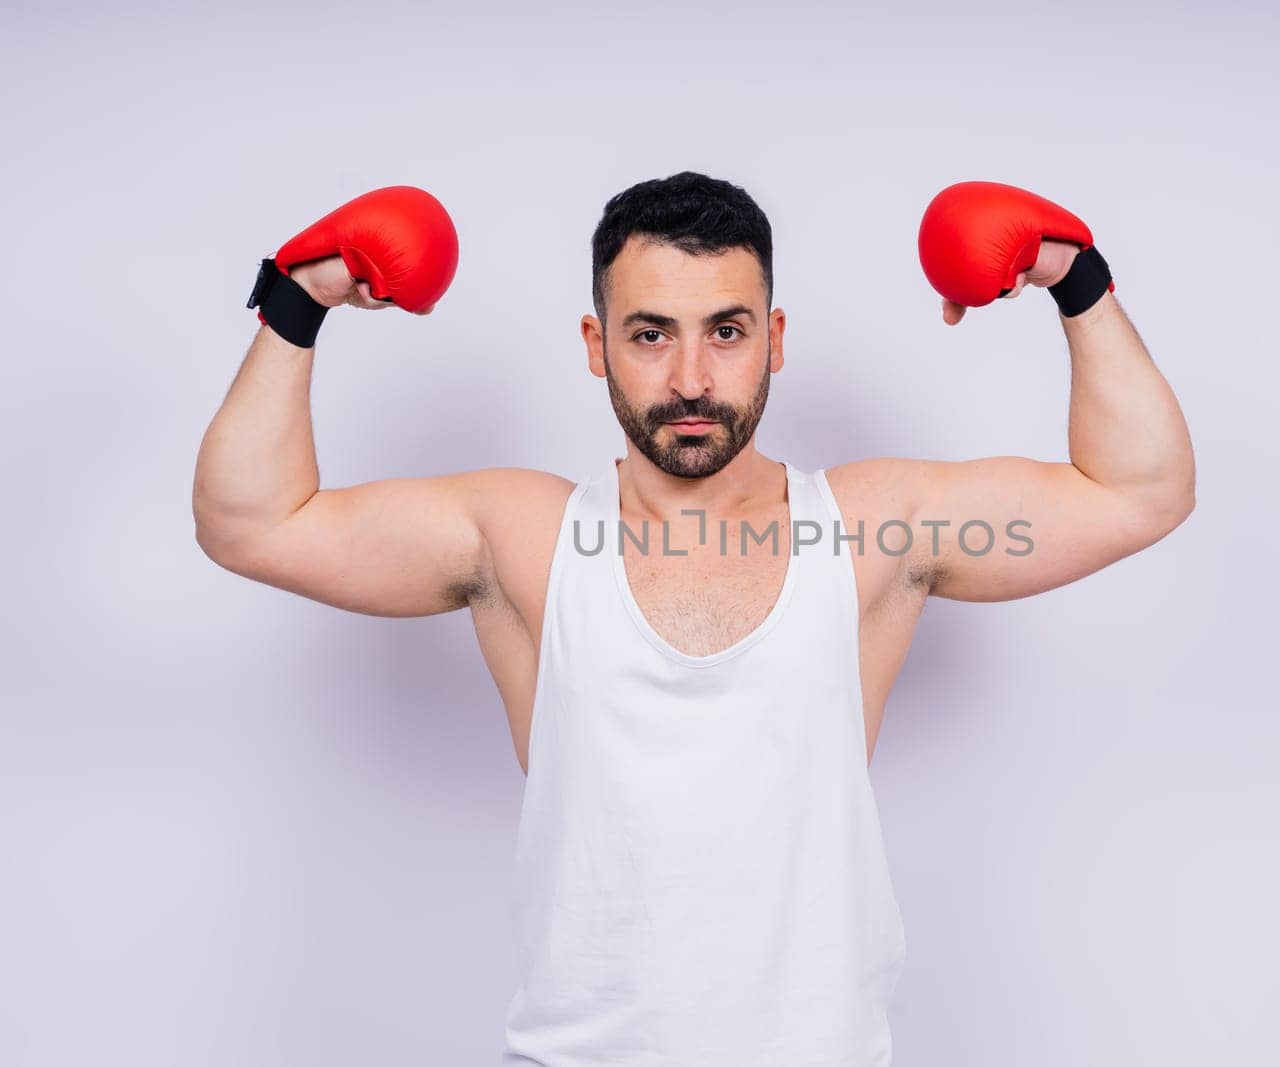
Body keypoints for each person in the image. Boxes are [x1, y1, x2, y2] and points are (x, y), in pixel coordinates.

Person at [192, 171, 1195, 1065]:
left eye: (726, 329)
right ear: (596, 345)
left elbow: (1138, 490)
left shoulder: (872, 528)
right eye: (649, 333)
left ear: (775, 339)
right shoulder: (522, 536)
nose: (689, 380)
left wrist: (1075, 279)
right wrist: (295, 300)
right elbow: (252, 522)